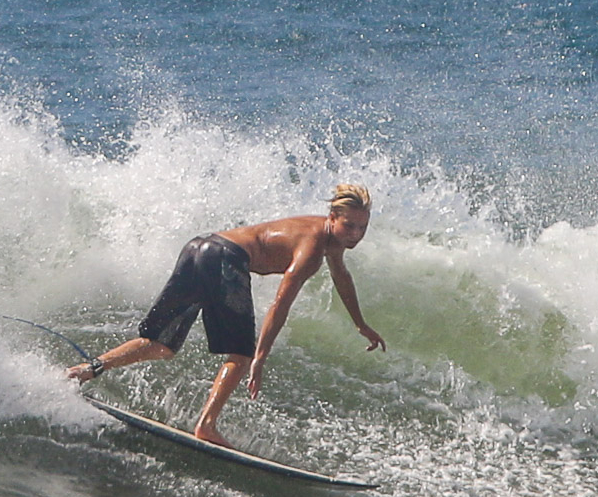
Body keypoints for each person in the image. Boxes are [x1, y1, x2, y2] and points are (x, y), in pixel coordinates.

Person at [67, 183, 386, 448]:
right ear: (333, 216)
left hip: (200, 248)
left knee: (160, 345)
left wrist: (360, 324)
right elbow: (280, 303)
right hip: (225, 258)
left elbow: (342, 275)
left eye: (362, 227)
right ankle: (206, 425)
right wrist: (259, 357)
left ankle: (87, 370)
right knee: (240, 355)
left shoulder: (329, 237)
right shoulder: (313, 248)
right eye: (349, 225)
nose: (355, 234)